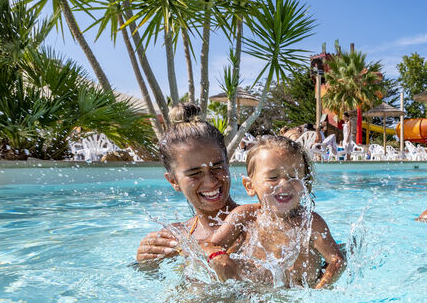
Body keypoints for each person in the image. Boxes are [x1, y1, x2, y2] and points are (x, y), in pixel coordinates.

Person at [206, 135, 346, 289]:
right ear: (249, 185)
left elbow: (337, 261)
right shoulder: (245, 216)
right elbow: (208, 245)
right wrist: (218, 258)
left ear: (305, 183)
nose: (285, 184)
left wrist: (319, 290)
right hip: (252, 296)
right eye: (273, 177)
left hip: (296, 297)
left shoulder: (311, 223)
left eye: (294, 176)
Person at [135, 102, 239, 263]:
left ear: (228, 165)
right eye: (195, 174)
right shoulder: (175, 236)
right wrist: (146, 263)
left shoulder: (255, 221)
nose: (210, 182)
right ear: (173, 181)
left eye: (217, 168)